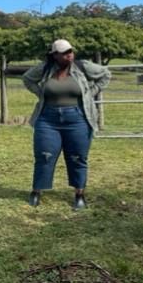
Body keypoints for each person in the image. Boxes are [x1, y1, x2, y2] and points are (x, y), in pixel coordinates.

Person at [22, 39, 112, 210]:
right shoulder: (46, 68)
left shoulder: (82, 66)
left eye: (70, 51)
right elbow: (27, 79)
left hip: (77, 118)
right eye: (64, 52)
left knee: (78, 157)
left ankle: (79, 194)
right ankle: (36, 191)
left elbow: (105, 74)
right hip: (48, 119)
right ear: (55, 55)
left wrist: (90, 92)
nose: (69, 54)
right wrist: (40, 93)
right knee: (44, 155)